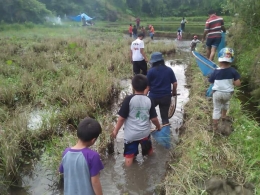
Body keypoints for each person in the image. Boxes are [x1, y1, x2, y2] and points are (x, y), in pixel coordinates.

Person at [112, 74, 161, 166]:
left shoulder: (128, 99)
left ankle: (129, 176)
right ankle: (152, 167)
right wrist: (158, 127)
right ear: (146, 87)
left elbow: (122, 118)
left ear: (133, 86)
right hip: (145, 133)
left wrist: (115, 131)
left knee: (129, 156)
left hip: (131, 135)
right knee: (149, 152)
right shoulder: (149, 100)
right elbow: (154, 118)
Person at [59, 117, 104, 195]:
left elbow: (62, 171)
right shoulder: (93, 156)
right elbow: (95, 182)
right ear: (93, 140)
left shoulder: (66, 153)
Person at [208, 48, 241, 132]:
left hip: (217, 93)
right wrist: (231, 82)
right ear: (231, 61)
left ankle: (215, 127)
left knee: (216, 109)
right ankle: (223, 117)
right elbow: (238, 84)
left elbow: (211, 81)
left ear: (219, 60)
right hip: (227, 94)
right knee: (226, 103)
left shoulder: (216, 71)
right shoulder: (233, 71)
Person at [144, 52, 178, 125]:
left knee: (148, 115)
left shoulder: (150, 71)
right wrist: (173, 93)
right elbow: (175, 83)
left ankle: (147, 130)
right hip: (166, 97)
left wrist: (143, 97)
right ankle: (165, 133)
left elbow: (148, 87)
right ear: (162, 60)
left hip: (153, 97)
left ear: (153, 62)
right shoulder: (169, 70)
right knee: (165, 118)